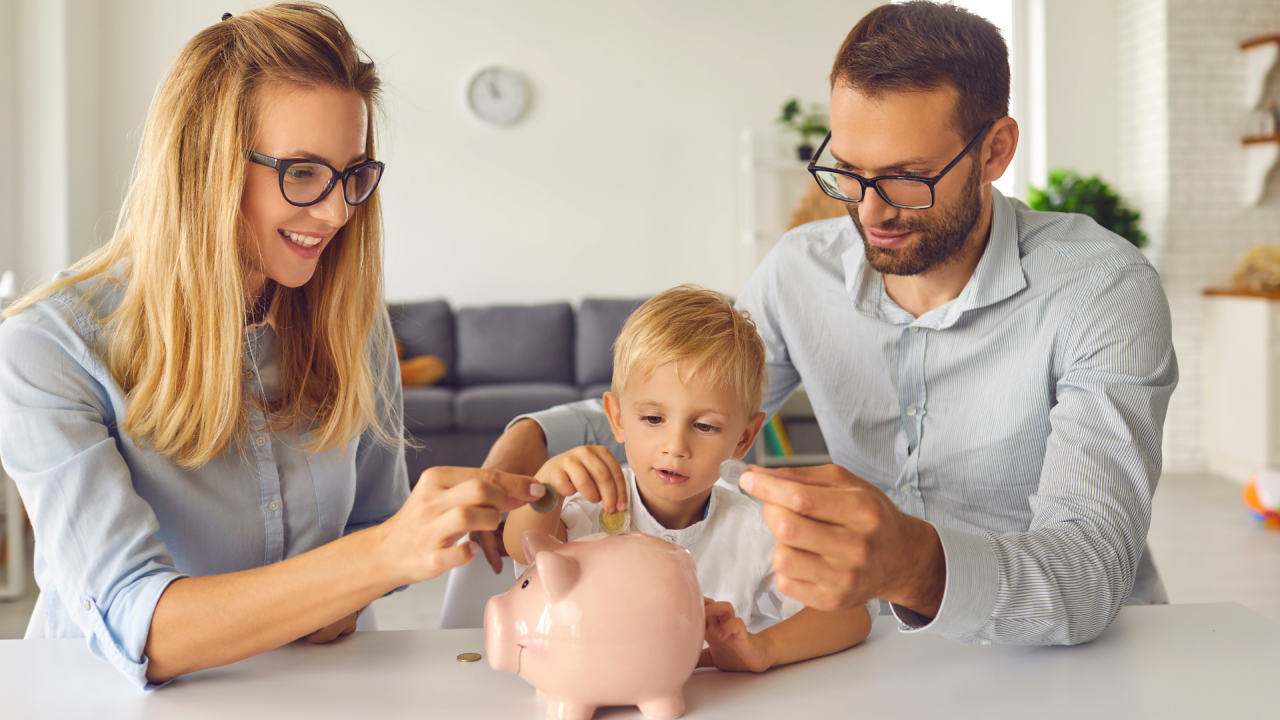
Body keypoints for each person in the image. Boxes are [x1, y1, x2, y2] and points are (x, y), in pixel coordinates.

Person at [483, 1, 1177, 646]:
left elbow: (1090, 568)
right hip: (874, 652)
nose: (869, 215)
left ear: (995, 151)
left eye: (908, 177)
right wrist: (537, 433)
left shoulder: (1101, 289)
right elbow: (686, 406)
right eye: (848, 172)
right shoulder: (800, 271)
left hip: (1075, 660)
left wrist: (917, 567)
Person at [0, 3, 541, 688]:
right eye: (303, 172)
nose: (338, 211)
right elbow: (139, 626)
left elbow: (372, 521)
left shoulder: (352, 320)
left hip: (319, 692)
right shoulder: (47, 348)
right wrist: (377, 561)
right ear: (205, 167)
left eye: (352, 175)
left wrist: (364, 581)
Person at [502, 286, 871, 671]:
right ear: (616, 418)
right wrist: (547, 489)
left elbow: (851, 613)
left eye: (705, 426)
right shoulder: (593, 506)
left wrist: (764, 649)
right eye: (653, 419)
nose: (675, 446)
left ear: (744, 437)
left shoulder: (755, 527)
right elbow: (522, 545)